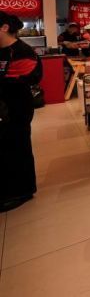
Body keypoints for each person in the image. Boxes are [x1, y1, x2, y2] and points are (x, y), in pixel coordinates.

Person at [0, 11, 42, 212]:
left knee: (18, 146)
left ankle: (23, 191)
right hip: (4, 107)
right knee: (5, 148)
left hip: (17, 106)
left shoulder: (23, 52)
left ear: (4, 27)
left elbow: (27, 79)